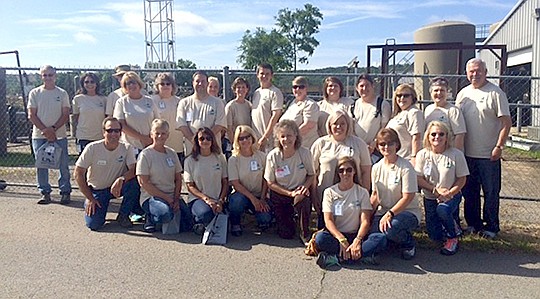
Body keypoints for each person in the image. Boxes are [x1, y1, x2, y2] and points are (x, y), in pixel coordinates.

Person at [455, 58, 511, 238]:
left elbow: (506, 122)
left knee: (491, 192)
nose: (475, 74)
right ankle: (473, 224)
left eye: (478, 71)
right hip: (467, 154)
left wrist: (499, 146)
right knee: (469, 192)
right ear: (466, 73)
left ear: (485, 72)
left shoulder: (496, 93)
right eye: (471, 71)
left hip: (489, 154)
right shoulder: (463, 94)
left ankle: (491, 227)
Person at [314, 157, 385, 269]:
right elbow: (328, 220)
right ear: (337, 173)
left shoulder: (362, 192)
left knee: (380, 239)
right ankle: (361, 258)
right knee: (320, 239)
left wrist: (357, 240)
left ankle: (336, 258)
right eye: (341, 170)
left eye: (349, 170)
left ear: (354, 171)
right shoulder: (329, 192)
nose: (345, 173)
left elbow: (365, 221)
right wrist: (341, 239)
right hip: (337, 237)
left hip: (357, 236)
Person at [74, 117, 141, 230]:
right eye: (109, 130)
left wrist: (121, 179)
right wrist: (90, 197)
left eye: (117, 130)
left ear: (120, 132)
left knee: (134, 183)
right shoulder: (92, 148)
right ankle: (90, 204)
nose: (113, 134)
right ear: (103, 132)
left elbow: (133, 169)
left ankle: (124, 215)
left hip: (117, 188)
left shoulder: (126, 148)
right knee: (94, 225)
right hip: (97, 191)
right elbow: (78, 173)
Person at [415, 121, 469, 255]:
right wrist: (435, 190)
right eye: (433, 134)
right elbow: (418, 178)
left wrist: (449, 193)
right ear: (428, 136)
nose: (437, 137)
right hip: (430, 196)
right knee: (434, 236)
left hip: (451, 195)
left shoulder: (456, 154)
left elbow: (462, 179)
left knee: (443, 210)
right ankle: (453, 227)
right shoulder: (422, 154)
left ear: (447, 136)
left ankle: (453, 237)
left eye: (441, 134)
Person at [311, 110, 371, 226]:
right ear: (329, 125)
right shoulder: (320, 144)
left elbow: (366, 171)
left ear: (348, 125)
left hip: (353, 200)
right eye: (335, 124)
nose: (339, 127)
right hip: (327, 196)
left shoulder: (359, 144)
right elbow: (313, 173)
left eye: (342, 123)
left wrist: (365, 195)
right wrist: (314, 197)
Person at [368, 128, 421, 260]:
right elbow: (375, 195)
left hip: (406, 212)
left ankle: (408, 243)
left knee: (391, 228)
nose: (386, 147)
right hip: (383, 212)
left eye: (390, 143)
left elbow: (408, 197)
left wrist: (390, 214)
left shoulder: (406, 167)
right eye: (382, 144)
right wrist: (366, 216)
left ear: (397, 144)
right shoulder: (376, 167)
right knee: (373, 237)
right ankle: (392, 242)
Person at [27, 65, 71, 204]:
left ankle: (65, 191)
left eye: (50, 75)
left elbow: (65, 114)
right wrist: (45, 130)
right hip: (40, 136)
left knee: (63, 164)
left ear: (55, 76)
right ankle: (45, 192)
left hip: (60, 135)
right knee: (41, 164)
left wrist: (53, 129)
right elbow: (31, 115)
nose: (48, 78)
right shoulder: (35, 93)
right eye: (45, 75)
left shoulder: (62, 93)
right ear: (41, 76)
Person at [264, 120, 314, 244]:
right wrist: (289, 193)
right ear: (278, 138)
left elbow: (311, 175)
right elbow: (270, 183)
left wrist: (304, 187)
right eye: (283, 136)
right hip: (281, 193)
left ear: (296, 136)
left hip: (299, 191)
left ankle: (305, 233)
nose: (286, 139)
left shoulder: (304, 153)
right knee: (286, 234)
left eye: (290, 135)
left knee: (302, 199)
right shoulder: (273, 156)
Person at [137, 119, 184, 233]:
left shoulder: (172, 153)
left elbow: (178, 178)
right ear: (151, 134)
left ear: (168, 135)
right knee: (165, 215)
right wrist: (167, 198)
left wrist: (176, 199)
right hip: (152, 197)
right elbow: (144, 183)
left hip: (172, 197)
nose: (160, 136)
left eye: (163, 133)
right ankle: (150, 217)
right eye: (157, 133)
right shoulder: (145, 155)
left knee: (188, 221)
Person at [228, 125, 271, 236]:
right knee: (236, 202)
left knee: (265, 219)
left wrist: (262, 199)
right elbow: (235, 183)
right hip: (241, 195)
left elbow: (265, 179)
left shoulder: (262, 156)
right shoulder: (233, 159)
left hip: (259, 195)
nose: (245, 140)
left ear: (252, 138)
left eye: (247, 137)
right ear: (237, 141)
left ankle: (257, 220)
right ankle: (235, 223)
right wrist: (253, 199)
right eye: (241, 138)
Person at [183, 127, 228, 234]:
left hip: (218, 200)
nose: (205, 141)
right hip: (198, 199)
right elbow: (190, 186)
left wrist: (221, 201)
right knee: (205, 214)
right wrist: (206, 199)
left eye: (208, 138)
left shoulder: (220, 157)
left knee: (224, 214)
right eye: (201, 138)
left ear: (212, 140)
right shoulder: (190, 160)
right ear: (197, 141)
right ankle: (197, 221)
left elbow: (225, 182)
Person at [177, 71, 226, 156]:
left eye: (203, 81)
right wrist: (196, 142)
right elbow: (182, 126)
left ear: (207, 83)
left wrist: (205, 141)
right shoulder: (184, 103)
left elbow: (219, 125)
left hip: (213, 152)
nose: (200, 84)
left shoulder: (218, 103)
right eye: (197, 81)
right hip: (192, 152)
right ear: (193, 83)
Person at [113, 71, 160, 154]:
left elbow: (157, 122)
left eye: (133, 82)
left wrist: (151, 139)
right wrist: (143, 138)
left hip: (150, 145)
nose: (131, 85)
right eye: (128, 83)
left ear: (139, 83)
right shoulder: (121, 102)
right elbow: (121, 125)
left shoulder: (150, 101)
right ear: (124, 86)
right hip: (130, 147)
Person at [352, 74, 391, 158]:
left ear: (373, 86)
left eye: (367, 85)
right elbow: (351, 128)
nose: (364, 89)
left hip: (376, 150)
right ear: (357, 88)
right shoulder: (353, 105)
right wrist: (361, 145)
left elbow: (384, 128)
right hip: (357, 148)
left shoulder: (382, 104)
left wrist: (374, 143)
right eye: (361, 86)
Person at [386, 83, 425, 165]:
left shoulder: (414, 112)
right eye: (399, 95)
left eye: (406, 95)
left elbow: (416, 137)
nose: (402, 98)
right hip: (395, 158)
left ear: (413, 98)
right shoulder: (398, 114)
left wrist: (414, 158)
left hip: (407, 159)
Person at [424, 77, 466, 151]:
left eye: (442, 90)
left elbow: (460, 135)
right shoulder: (428, 109)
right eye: (436, 90)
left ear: (447, 92)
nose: (439, 93)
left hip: (448, 152)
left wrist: (455, 154)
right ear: (431, 93)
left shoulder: (453, 110)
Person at [151, 73, 185, 165]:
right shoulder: (151, 101)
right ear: (157, 86)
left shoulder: (180, 102)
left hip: (176, 144)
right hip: (159, 143)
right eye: (162, 84)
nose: (165, 86)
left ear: (172, 86)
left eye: (168, 84)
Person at [251, 63, 284, 151]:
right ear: (257, 75)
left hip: (268, 141)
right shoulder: (256, 93)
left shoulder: (275, 92)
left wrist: (265, 137)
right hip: (255, 140)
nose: (264, 76)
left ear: (271, 76)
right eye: (262, 73)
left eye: (267, 74)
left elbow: (275, 116)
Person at [72, 72, 107, 154]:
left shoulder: (104, 99)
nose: (89, 84)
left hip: (100, 137)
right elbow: (76, 117)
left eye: (92, 82)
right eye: (86, 82)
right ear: (82, 84)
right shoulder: (78, 99)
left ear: (97, 84)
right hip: (83, 137)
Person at [280, 76, 319, 148]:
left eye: (301, 87)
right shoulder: (292, 103)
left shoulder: (311, 104)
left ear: (306, 88)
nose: (297, 89)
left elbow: (308, 125)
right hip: (290, 146)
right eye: (295, 87)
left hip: (305, 146)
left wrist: (291, 137)